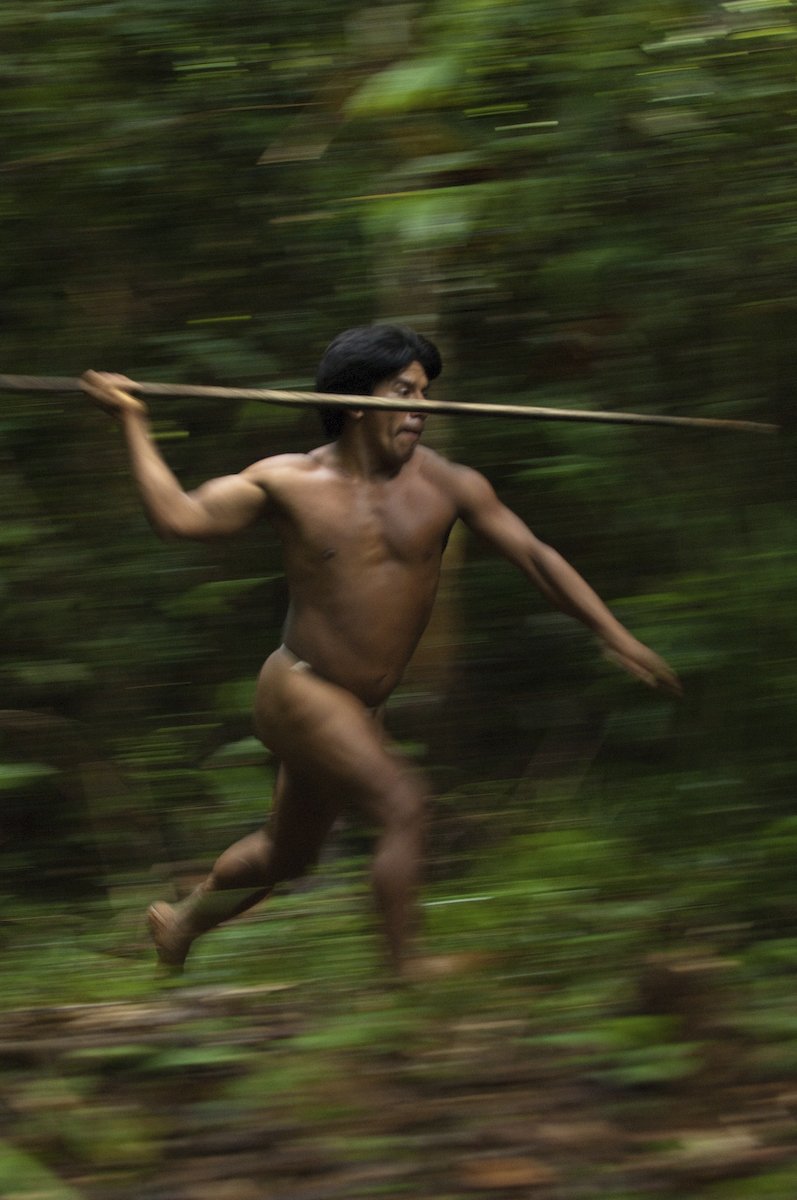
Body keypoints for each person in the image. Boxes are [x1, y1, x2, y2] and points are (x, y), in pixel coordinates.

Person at [81, 324, 679, 977]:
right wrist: (133, 421)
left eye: (426, 392)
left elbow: (534, 556)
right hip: (301, 686)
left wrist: (612, 633)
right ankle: (407, 972)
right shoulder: (288, 482)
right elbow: (179, 518)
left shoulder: (449, 486)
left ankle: (181, 923)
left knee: (288, 854)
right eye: (405, 391)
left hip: (360, 702)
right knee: (403, 804)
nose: (421, 408)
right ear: (357, 402)